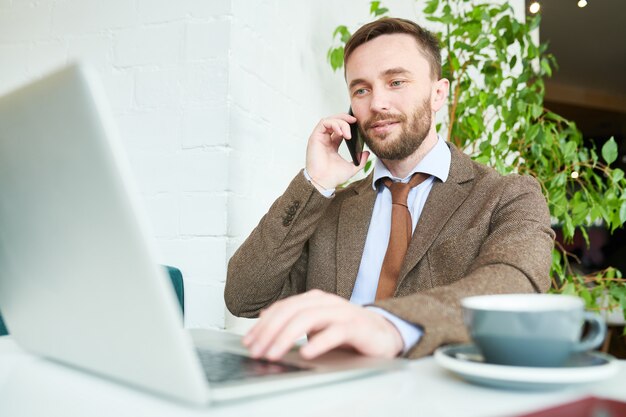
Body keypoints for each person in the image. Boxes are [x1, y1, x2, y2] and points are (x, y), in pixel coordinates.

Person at [224, 17, 554, 361]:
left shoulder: (508, 196)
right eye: (361, 89)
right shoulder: (331, 208)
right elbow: (244, 296)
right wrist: (314, 182)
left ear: (438, 93)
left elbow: (515, 286)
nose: (377, 103)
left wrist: (388, 324)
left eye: (396, 81)